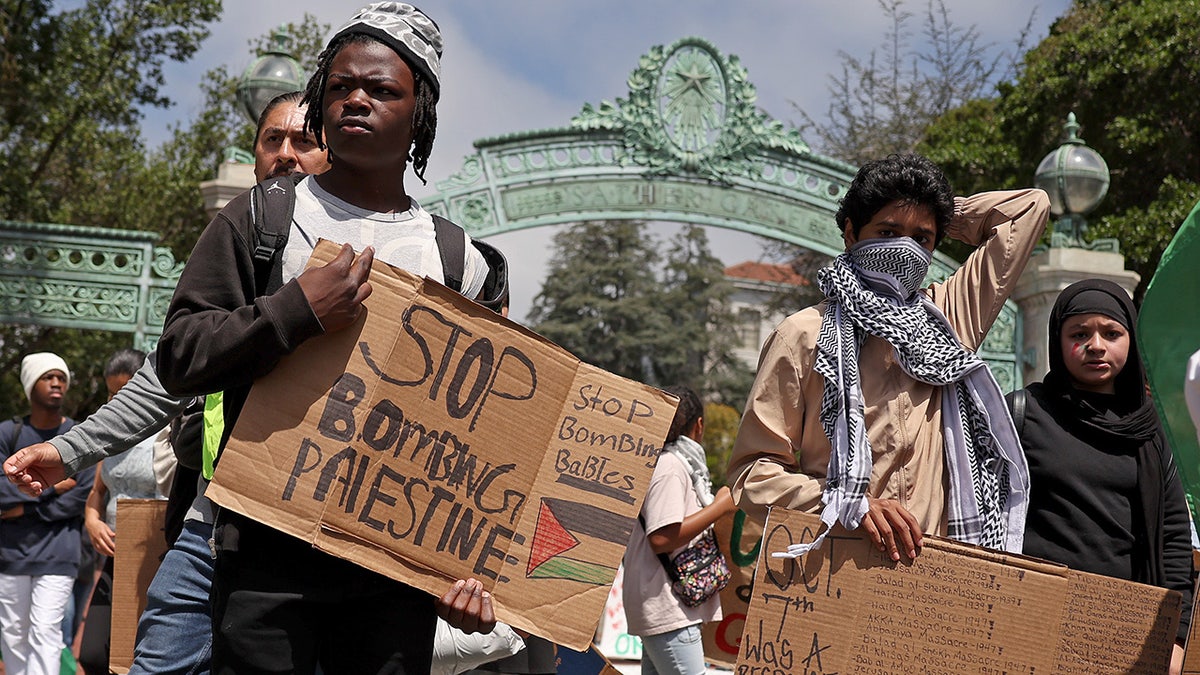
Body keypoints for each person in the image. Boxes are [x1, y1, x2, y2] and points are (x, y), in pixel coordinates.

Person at [154, 3, 505, 672]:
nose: (356, 100)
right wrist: (292, 313)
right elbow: (180, 355)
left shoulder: (459, 261)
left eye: (381, 90)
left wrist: (473, 576)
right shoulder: (262, 218)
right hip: (265, 562)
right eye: (341, 86)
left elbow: (488, 442)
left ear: (419, 112)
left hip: (394, 581)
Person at [727, 154, 1049, 560]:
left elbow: (1030, 208)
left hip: (935, 570)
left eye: (921, 239)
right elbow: (752, 474)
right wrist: (847, 503)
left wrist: (939, 209)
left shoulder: (947, 320)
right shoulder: (803, 336)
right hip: (838, 570)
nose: (904, 250)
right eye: (888, 231)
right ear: (850, 233)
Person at [1009, 279, 1193, 674]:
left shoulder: (1151, 427)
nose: (1096, 345)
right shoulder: (1024, 413)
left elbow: (1174, 537)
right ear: (1057, 339)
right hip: (1032, 622)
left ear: (1131, 338)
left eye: (1111, 333)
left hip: (1127, 630)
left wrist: (1175, 641)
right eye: (1079, 334)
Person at [622, 386, 736, 675]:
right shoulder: (670, 466)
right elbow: (662, 538)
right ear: (699, 425)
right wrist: (720, 506)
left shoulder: (661, 463)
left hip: (663, 603)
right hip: (668, 606)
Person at [0, 353, 95, 675]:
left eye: (62, 377)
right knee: (12, 633)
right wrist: (52, 488)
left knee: (45, 631)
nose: (57, 383)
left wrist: (20, 507)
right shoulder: (7, 434)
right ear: (30, 385)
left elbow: (81, 492)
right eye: (48, 377)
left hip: (59, 553)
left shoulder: (78, 435)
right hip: (10, 554)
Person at [77, 349, 170, 675]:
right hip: (116, 557)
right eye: (112, 394)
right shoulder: (111, 437)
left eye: (125, 393)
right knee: (91, 655)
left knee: (139, 656)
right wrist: (92, 521)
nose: (117, 401)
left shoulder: (167, 432)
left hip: (157, 557)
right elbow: (96, 493)